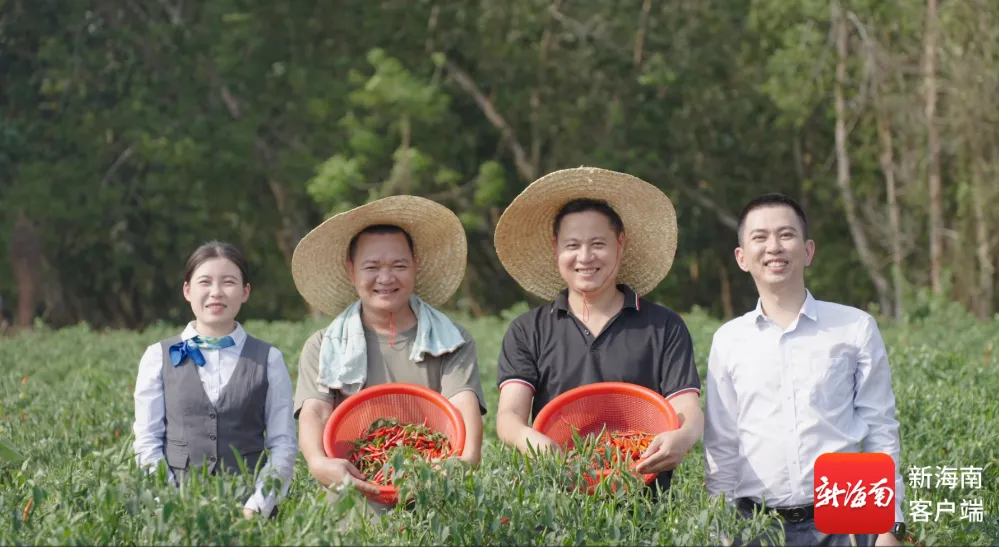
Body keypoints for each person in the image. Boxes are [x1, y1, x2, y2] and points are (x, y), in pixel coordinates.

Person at [702, 193, 906, 546]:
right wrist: (717, 530)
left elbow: (879, 426)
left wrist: (890, 524)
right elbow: (722, 444)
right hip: (755, 525)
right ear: (742, 258)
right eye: (760, 238)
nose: (774, 247)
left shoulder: (854, 327)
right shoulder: (729, 340)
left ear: (808, 250)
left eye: (786, 235)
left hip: (846, 520)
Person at [492, 166, 704, 495]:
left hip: (644, 497)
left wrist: (684, 437)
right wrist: (532, 441)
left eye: (598, 244)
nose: (585, 257)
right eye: (572, 245)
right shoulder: (528, 330)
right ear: (555, 248)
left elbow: (687, 407)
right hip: (557, 498)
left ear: (620, 244)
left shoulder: (663, 326)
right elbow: (509, 416)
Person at [291, 195, 487, 520]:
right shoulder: (324, 344)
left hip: (433, 502)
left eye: (398, 266)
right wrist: (317, 462)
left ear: (416, 265)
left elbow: (463, 406)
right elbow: (316, 410)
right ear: (351, 270)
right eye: (372, 267)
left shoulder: (451, 340)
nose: (385, 278)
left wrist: (464, 461)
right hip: (353, 507)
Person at [132, 241, 297, 519]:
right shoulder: (157, 357)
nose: (216, 292)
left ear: (245, 292)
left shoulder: (269, 359)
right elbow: (147, 441)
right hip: (175, 515)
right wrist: (170, 505)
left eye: (229, 282)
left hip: (251, 514)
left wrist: (257, 506)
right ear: (187, 290)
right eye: (205, 282)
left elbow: (283, 442)